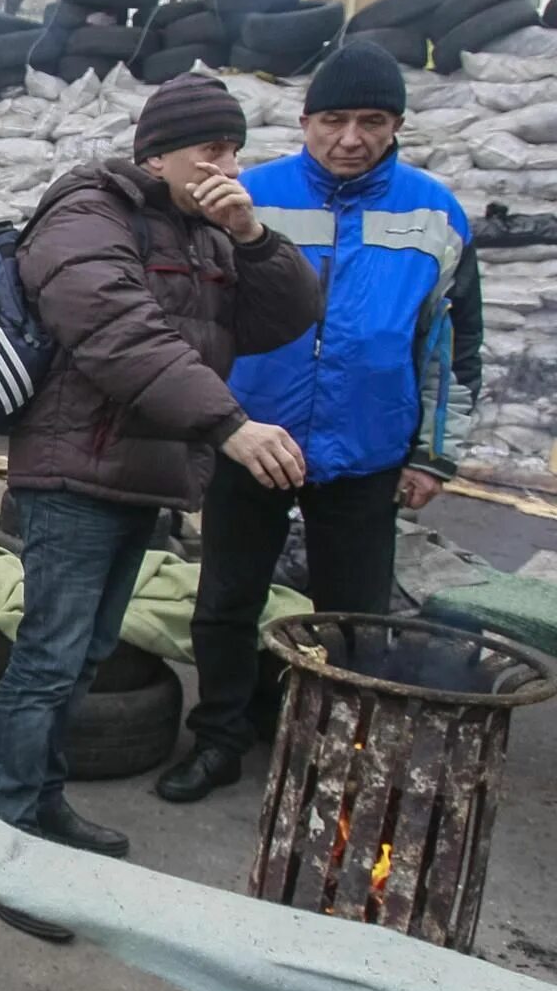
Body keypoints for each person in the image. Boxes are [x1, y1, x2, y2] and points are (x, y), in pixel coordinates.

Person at [0, 75, 322, 943]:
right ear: (155, 155)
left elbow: (288, 316)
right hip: (73, 472)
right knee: (50, 659)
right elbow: (117, 331)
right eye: (209, 150)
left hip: (147, 470)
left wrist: (250, 234)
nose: (227, 166)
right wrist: (230, 426)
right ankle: (6, 845)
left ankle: (46, 807)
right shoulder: (87, 213)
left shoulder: (210, 229)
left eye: (235, 149)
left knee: (89, 653)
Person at [158, 42, 484, 804]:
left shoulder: (435, 212)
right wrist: (203, 423)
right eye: (333, 119)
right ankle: (220, 740)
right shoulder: (248, 194)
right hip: (253, 437)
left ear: (396, 124)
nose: (350, 138)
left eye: (372, 121)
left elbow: (452, 344)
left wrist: (434, 456)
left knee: (353, 621)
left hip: (367, 448)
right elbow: (191, 316)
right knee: (227, 602)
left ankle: (336, 754)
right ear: (304, 121)